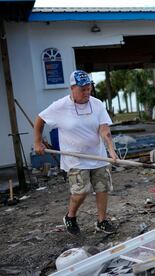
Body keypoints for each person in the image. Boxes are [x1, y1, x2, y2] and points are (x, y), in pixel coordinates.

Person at [34, 70, 118, 235]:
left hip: (98, 155)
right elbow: (40, 120)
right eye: (82, 90)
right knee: (81, 191)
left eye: (88, 89)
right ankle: (70, 216)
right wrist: (37, 142)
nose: (87, 93)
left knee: (102, 188)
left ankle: (101, 221)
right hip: (75, 158)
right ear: (72, 88)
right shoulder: (60, 106)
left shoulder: (97, 104)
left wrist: (111, 151)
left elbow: (104, 129)